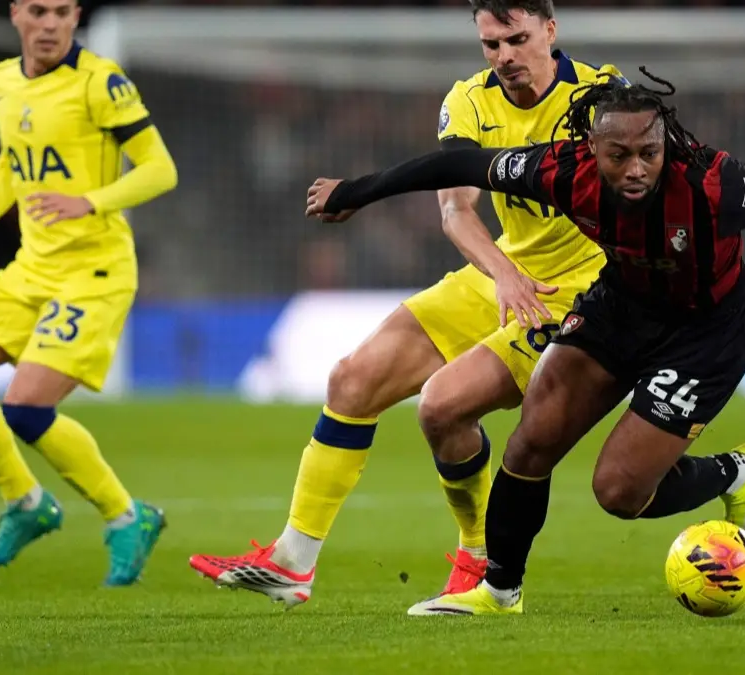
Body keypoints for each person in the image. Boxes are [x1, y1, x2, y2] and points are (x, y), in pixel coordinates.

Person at [304, 68, 745, 615]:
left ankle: (737, 470)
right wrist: (356, 193)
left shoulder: (713, 183)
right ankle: (500, 589)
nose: (637, 167)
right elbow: (456, 161)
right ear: (592, 148)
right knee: (533, 435)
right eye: (619, 153)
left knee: (618, 491)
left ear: (664, 143)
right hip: (622, 306)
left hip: (706, 331)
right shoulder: (561, 171)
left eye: (649, 151)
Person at [189, 0, 630, 610]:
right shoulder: (469, 101)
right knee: (352, 380)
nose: (503, 56)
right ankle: (293, 562)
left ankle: (482, 561)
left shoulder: (603, 96)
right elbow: (455, 208)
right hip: (505, 272)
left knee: (442, 406)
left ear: (550, 32)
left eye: (516, 39)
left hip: (588, 290)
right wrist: (503, 274)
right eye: (490, 44)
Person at [0, 0, 177, 585]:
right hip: (31, 267)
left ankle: (126, 517)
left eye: (63, 12)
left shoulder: (102, 82)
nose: (52, 24)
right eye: (39, 11)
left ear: (76, 16)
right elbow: (14, 164)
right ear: (16, 15)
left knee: (26, 409)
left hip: (95, 272)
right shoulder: (2, 80)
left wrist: (90, 201)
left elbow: (160, 169)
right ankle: (26, 503)